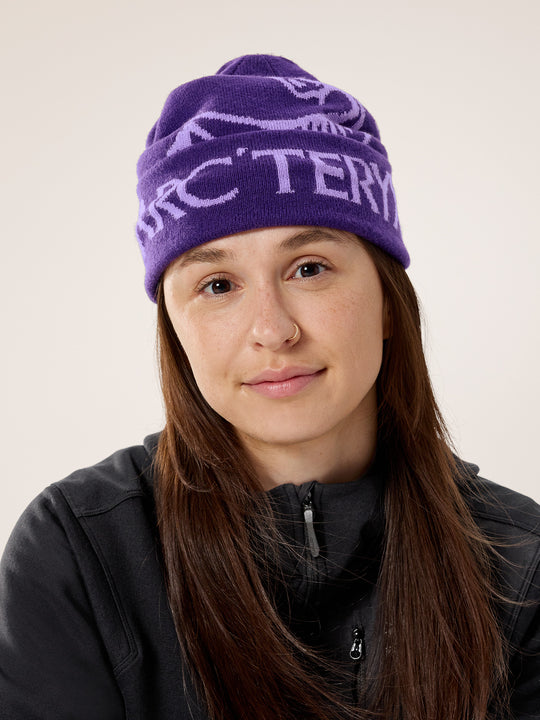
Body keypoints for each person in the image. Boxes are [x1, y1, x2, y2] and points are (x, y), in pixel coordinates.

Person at [0, 54, 539, 720]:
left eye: (309, 268)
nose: (273, 331)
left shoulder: (520, 561)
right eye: (217, 285)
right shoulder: (81, 553)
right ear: (174, 327)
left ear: (388, 302)